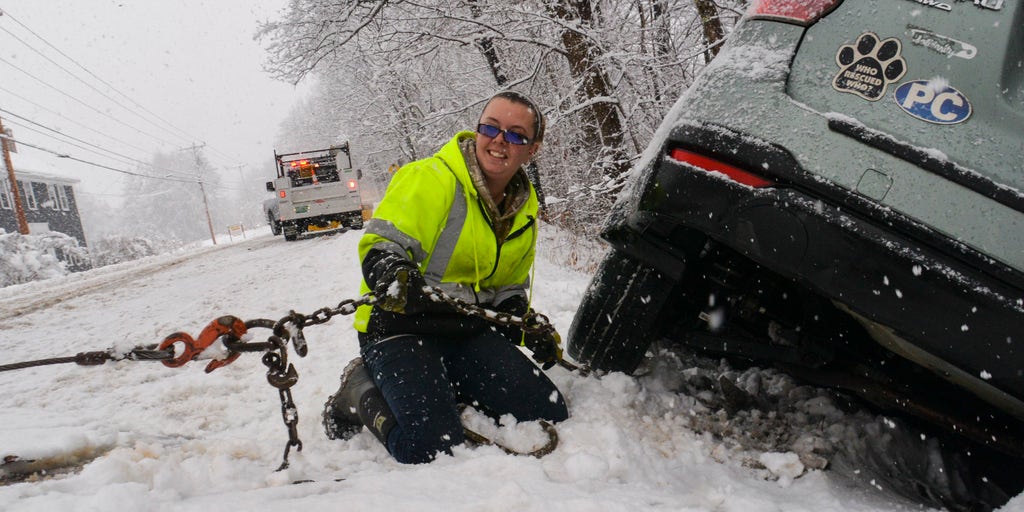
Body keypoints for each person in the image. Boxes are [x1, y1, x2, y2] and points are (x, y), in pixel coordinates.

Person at [322, 91, 569, 464]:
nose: (500, 140)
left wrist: (522, 323)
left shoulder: (524, 206)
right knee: (430, 446)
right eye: (491, 127)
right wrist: (395, 275)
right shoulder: (431, 178)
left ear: (532, 149)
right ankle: (358, 390)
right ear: (477, 130)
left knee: (548, 410)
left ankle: (440, 384)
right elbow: (381, 246)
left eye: (516, 135)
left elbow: (508, 285)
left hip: (463, 330)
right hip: (399, 327)